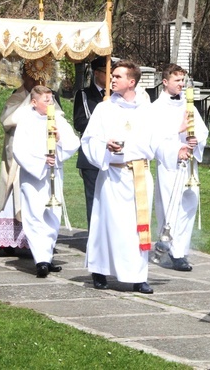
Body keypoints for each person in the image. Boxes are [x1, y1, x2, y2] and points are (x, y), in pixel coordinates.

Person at [82, 60, 169, 294]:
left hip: (139, 175)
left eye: (118, 77)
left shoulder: (147, 110)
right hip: (113, 174)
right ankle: (100, 270)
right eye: (112, 76)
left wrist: (178, 151)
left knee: (136, 228)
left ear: (132, 82)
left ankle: (138, 276)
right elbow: (89, 140)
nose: (112, 79)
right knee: (107, 224)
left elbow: (160, 141)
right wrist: (104, 145)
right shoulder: (104, 108)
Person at [13, 85, 79, 277]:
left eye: (51, 99)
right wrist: (42, 160)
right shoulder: (25, 121)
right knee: (35, 215)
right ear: (34, 102)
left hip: (54, 173)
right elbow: (19, 150)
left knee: (52, 214)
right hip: (34, 175)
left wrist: (59, 141)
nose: (50, 103)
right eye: (46, 100)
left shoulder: (58, 119)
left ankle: (47, 256)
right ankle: (40, 260)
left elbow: (74, 142)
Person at [151, 64, 208, 272]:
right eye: (177, 81)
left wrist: (195, 139)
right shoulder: (156, 108)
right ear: (165, 82)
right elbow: (154, 139)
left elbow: (202, 131)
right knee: (171, 208)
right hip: (170, 165)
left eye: (183, 81)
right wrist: (179, 134)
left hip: (189, 165)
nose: (181, 85)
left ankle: (181, 250)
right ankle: (172, 251)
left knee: (188, 207)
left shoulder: (188, 104)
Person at [0, 58, 51, 254]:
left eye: (38, 77)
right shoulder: (16, 98)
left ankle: (36, 241)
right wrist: (30, 104)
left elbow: (55, 119)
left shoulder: (47, 98)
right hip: (19, 155)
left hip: (41, 155)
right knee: (14, 193)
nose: (35, 81)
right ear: (24, 76)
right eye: (32, 76)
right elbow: (8, 120)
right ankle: (8, 241)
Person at [73, 56, 108, 228]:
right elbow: (79, 122)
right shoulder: (84, 95)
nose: (110, 76)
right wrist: (100, 117)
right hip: (91, 154)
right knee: (93, 198)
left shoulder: (115, 96)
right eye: (106, 72)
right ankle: (94, 238)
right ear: (97, 73)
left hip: (111, 155)